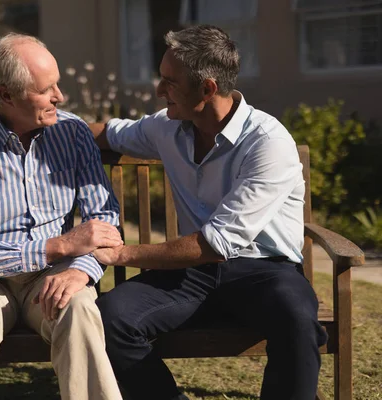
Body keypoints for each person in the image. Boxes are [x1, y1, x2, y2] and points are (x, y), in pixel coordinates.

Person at [91, 25, 328, 400]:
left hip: (264, 273)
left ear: (207, 88)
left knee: (297, 319)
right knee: (108, 318)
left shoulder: (267, 142)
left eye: (169, 82)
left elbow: (218, 243)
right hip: (193, 275)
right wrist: (39, 124)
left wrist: (123, 254)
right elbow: (107, 133)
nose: (158, 91)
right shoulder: (166, 126)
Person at [0, 33, 123, 400]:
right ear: (7, 95)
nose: (60, 97)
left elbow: (104, 217)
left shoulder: (73, 133)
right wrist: (61, 245)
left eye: (58, 84)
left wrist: (80, 268)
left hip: (52, 276)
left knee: (80, 307)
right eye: (46, 89)